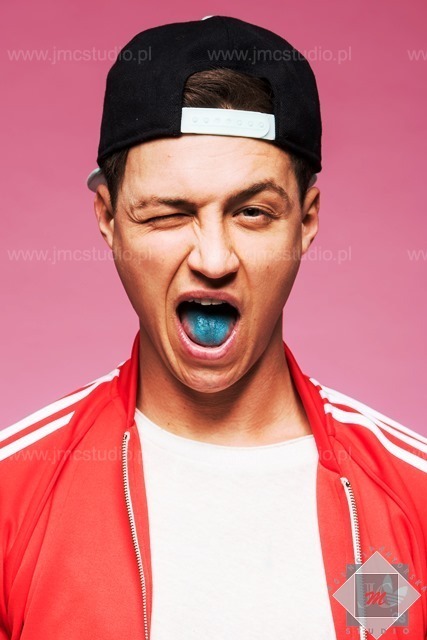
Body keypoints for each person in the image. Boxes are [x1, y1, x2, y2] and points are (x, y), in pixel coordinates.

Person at [1, 15, 426, 640]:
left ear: (307, 221)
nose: (214, 259)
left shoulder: (414, 494)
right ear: (108, 219)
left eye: (252, 212)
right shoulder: (12, 494)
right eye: (167, 215)